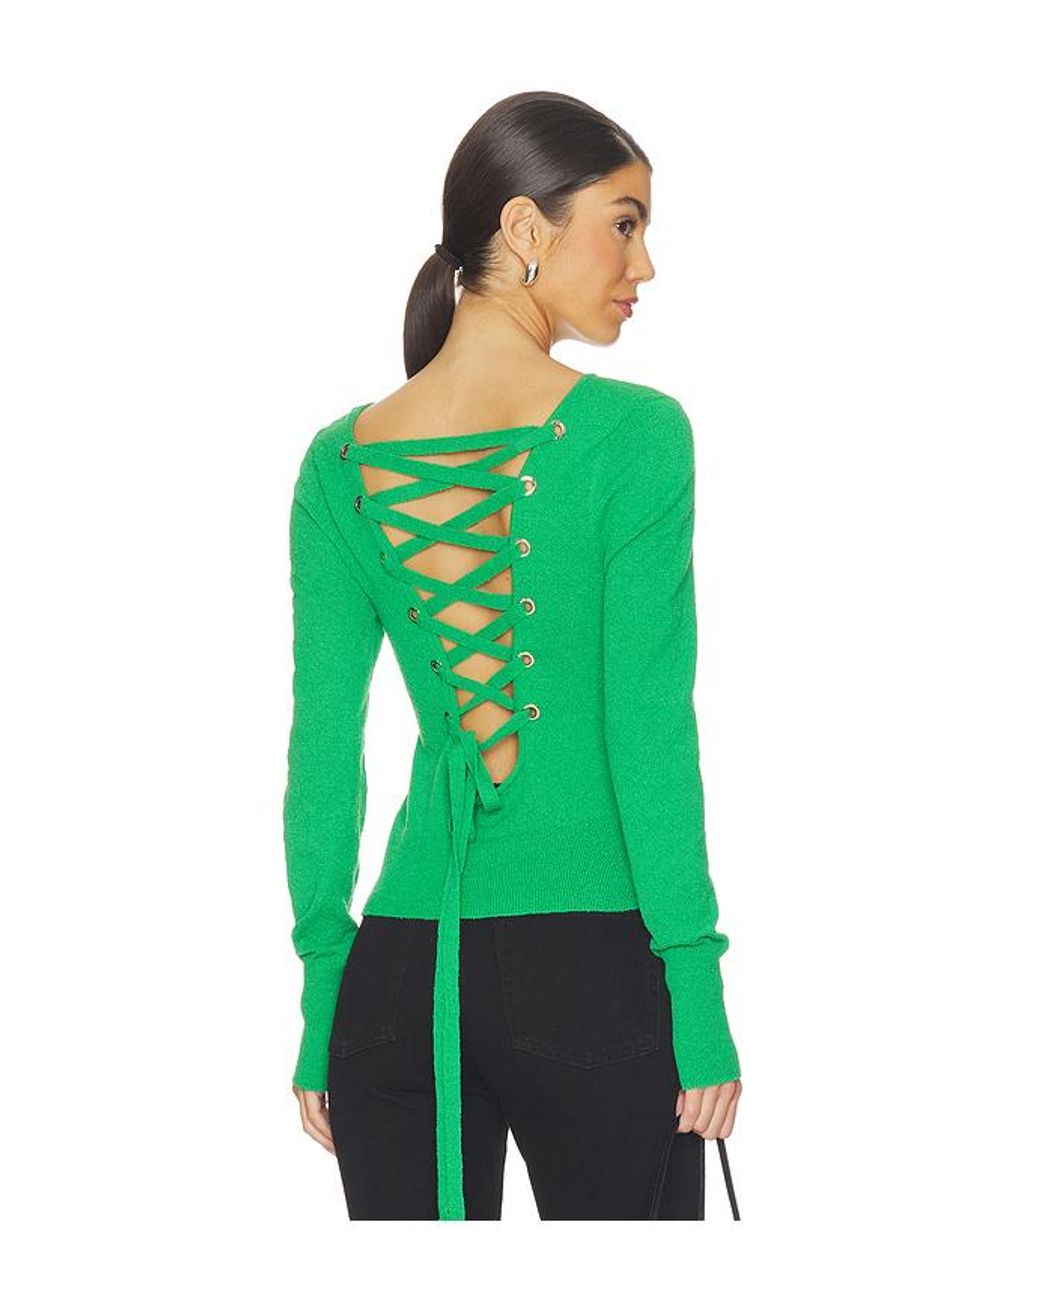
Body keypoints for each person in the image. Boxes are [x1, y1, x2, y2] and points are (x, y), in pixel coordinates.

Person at [283, 90, 743, 1220]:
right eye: (623, 223)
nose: (643, 263)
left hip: (396, 982)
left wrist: (324, 995)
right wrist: (694, 984)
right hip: (591, 974)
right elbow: (648, 732)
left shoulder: (337, 465)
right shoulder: (635, 437)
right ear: (528, 228)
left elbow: (322, 753)